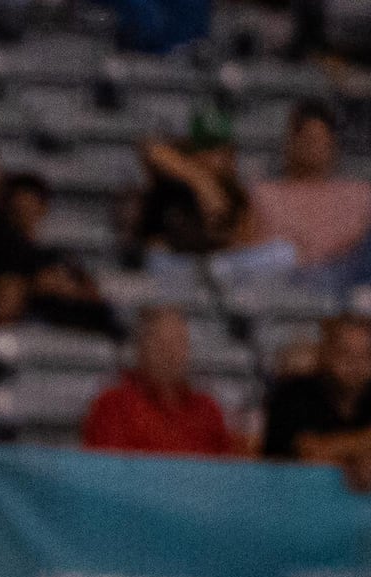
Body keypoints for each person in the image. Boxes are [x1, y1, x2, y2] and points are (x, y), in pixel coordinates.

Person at [0, 173, 115, 334]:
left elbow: (94, 296)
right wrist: (33, 283)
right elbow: (4, 307)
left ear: (43, 208)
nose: (26, 212)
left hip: (70, 335)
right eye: (18, 208)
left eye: (32, 205)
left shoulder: (53, 257)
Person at [80, 306, 241, 458]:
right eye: (161, 343)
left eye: (179, 342)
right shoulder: (113, 406)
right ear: (140, 348)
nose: (170, 353)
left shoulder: (208, 410)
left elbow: (227, 473)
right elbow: (104, 475)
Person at [251, 102, 371, 284]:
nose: (314, 149)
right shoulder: (263, 194)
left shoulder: (360, 194)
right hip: (286, 285)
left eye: (321, 141)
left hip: (350, 283)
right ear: (292, 142)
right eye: (308, 140)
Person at [261, 316, 371, 486]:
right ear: (324, 353)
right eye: (345, 353)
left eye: (365, 355)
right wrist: (358, 450)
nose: (354, 364)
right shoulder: (292, 394)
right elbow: (309, 454)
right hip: (289, 499)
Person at [134, 113, 249, 263]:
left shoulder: (238, 193)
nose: (214, 157)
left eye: (220, 149)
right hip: (168, 268)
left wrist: (210, 190)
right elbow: (150, 148)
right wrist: (200, 180)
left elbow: (231, 235)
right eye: (205, 148)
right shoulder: (173, 186)